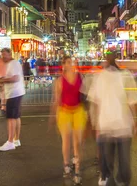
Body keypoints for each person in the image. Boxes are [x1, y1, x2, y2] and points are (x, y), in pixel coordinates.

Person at [88, 51, 137, 186]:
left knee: (110, 161)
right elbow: (133, 101)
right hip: (118, 126)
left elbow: (95, 102)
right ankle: (115, 178)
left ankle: (109, 177)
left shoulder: (103, 77)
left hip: (111, 125)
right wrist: (136, 122)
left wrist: (93, 123)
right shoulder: (122, 76)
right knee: (118, 162)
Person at [51, 56, 86, 185]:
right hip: (64, 111)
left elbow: (84, 94)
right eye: (68, 62)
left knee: (77, 142)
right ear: (63, 65)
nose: (71, 64)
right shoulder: (59, 81)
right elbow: (57, 99)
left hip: (78, 111)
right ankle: (66, 164)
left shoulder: (80, 77)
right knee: (66, 140)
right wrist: (53, 116)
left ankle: (77, 170)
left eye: (73, 62)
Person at [0, 48, 25, 151]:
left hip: (14, 93)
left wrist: (3, 80)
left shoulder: (13, 64)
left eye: (5, 55)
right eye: (2, 55)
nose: (3, 57)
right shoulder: (11, 64)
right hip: (16, 92)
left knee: (11, 117)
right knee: (16, 116)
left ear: (10, 54)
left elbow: (15, 78)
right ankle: (16, 139)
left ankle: (10, 142)